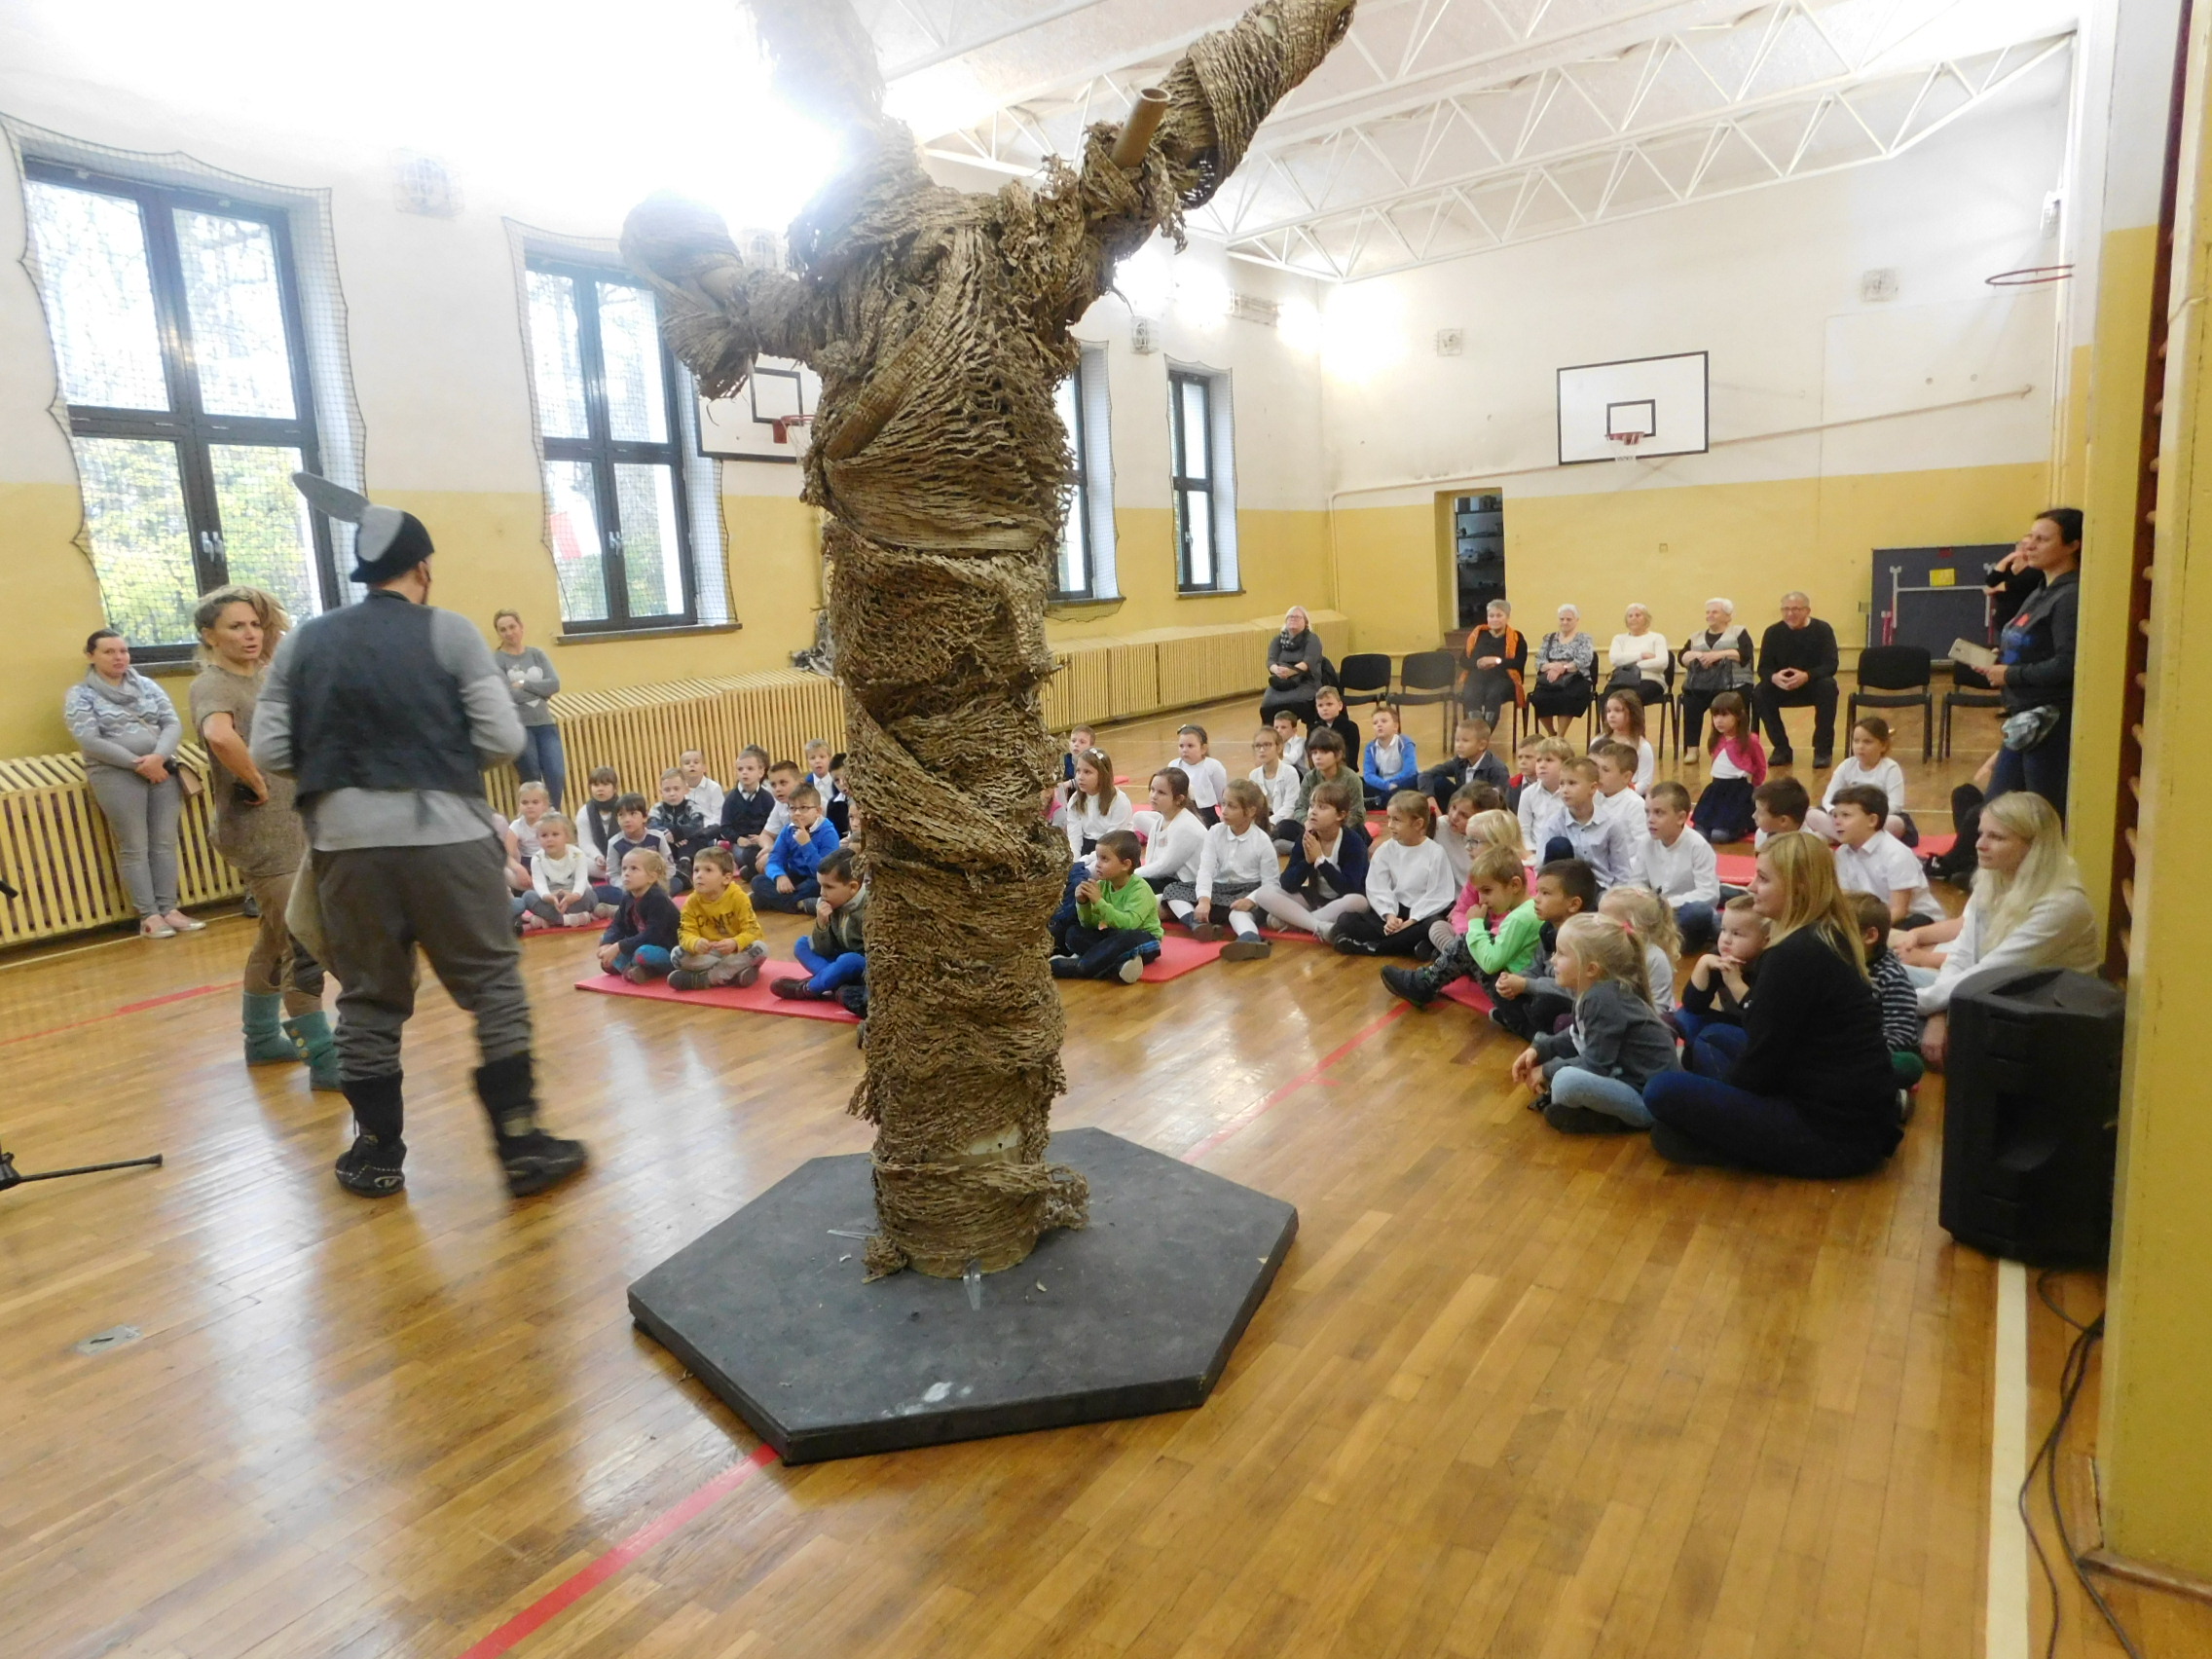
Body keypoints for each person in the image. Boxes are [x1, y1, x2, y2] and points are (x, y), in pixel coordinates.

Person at [253, 473, 583, 1198]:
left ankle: (377, 1153)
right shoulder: (451, 631)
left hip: (345, 848)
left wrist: (348, 774)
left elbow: (270, 749)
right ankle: (522, 1147)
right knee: (492, 987)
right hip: (448, 840)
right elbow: (502, 738)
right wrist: (427, 759)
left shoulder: (302, 641)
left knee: (369, 1000)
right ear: (423, 569)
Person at [1642, 831, 1900, 1176]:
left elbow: (1762, 1061)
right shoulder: (1825, 934)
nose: (1750, 886)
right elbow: (1769, 1040)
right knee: (1714, 1033)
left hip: (1831, 1134)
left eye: (1763, 879)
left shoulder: (1794, 954)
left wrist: (1718, 1106)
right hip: (1846, 1111)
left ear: (1798, 887)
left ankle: (1736, 1144)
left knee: (1662, 1090)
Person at [189, 586, 334, 1087]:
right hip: (260, 834)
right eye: (235, 626)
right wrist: (255, 780)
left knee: (275, 936)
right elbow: (219, 734)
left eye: (254, 624)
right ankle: (324, 1058)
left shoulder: (265, 676)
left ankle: (261, 1039)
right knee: (301, 942)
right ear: (210, 636)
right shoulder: (213, 685)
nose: (249, 634)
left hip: (294, 824)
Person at [1916, 791, 2099, 1066]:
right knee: (1884, 979)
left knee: (1880, 1016)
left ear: (2033, 846)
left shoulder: (2062, 904)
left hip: (2036, 1022)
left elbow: (1990, 974)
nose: (1980, 844)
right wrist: (1937, 1014)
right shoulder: (1991, 879)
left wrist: (1909, 1005)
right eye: (1981, 833)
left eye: (1997, 837)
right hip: (1987, 997)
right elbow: (1962, 956)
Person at [65, 629, 200, 939]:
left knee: (164, 842)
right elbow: (89, 739)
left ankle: (169, 908)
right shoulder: (80, 695)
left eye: (123, 651)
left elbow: (171, 723)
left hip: (162, 770)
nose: (119, 657)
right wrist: (138, 764)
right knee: (135, 845)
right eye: (109, 652)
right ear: (91, 656)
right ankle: (149, 916)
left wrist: (158, 758)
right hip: (116, 775)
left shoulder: (147, 686)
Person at [1513, 911, 1681, 1134]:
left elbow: (1596, 1065)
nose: (1552, 960)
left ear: (1591, 968)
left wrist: (1547, 1070)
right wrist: (1540, 1049)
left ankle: (1614, 1121)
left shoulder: (1602, 999)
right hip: (1626, 1078)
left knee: (1564, 1081)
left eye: (1561, 953)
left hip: (1647, 1102)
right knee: (1561, 1071)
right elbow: (1577, 1035)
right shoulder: (1593, 991)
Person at [1981, 507, 2082, 816]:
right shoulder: (2041, 590)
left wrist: (2011, 674)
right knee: (1997, 811)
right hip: (2022, 718)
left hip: (2048, 722)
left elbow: (2067, 664)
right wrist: (1999, 660)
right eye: (2030, 537)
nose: (2030, 545)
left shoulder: (2069, 597)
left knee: (2039, 815)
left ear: (2072, 545)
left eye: (2042, 539)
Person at [1383, 841, 1540, 1008]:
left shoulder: (1519, 918)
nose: (1482, 900)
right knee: (1470, 942)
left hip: (1518, 1000)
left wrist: (1475, 924)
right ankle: (1434, 973)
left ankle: (1425, 985)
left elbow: (1490, 963)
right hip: (1522, 987)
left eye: (1487, 891)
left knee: (1466, 943)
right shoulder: (1531, 908)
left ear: (1515, 885)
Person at [1332, 790, 1457, 957]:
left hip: (1421, 915)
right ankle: (1412, 947)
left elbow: (1438, 894)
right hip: (1394, 910)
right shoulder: (1386, 849)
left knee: (1432, 926)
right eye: (1389, 818)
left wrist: (1411, 921)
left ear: (1418, 824)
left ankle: (1374, 948)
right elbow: (1378, 887)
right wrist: (1390, 916)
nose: (1390, 825)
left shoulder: (1435, 852)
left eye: (1396, 820)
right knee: (1346, 920)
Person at [1488, 859, 1598, 1040]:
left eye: (1545, 893)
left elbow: (1573, 990)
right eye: (1537, 891)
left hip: (1573, 1002)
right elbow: (1535, 966)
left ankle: (1535, 1035)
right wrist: (1516, 980)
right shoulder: (1548, 930)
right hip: (1544, 989)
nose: (1536, 899)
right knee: (1499, 983)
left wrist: (1526, 985)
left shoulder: (1583, 939)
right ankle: (1524, 1023)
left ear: (1573, 904)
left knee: (1544, 1006)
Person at [1252, 778, 1369, 943]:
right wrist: (1307, 862)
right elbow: (1287, 884)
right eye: (1311, 806)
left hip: (1342, 902)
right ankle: (1318, 926)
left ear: (1341, 815)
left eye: (1322, 807)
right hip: (1315, 898)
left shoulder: (1353, 842)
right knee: (1263, 893)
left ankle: (1295, 921)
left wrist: (1320, 861)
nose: (1313, 812)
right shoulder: (1307, 838)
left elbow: (1349, 889)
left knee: (1358, 902)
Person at [1169, 778, 1274, 960]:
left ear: (1250, 811)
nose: (1224, 810)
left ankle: (1250, 940)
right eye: (1223, 803)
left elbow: (1271, 883)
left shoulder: (1262, 841)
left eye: (1232, 806)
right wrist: (1204, 900)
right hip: (1219, 891)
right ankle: (1198, 925)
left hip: (1248, 893)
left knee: (1238, 914)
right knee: (1173, 890)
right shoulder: (1215, 832)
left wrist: (1250, 900)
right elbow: (1206, 870)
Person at [1051, 830, 1163, 983]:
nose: (1097, 864)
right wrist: (1083, 903)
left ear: (1125, 865)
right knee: (1073, 933)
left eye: (1104, 859)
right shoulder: (1103, 885)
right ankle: (1118, 966)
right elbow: (1090, 924)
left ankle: (1082, 966)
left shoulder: (1140, 889)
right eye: (1098, 858)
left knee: (1126, 938)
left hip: (1144, 939)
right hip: (1114, 936)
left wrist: (1099, 902)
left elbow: (1129, 924)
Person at [1751, 592, 1840, 767]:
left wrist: (1807, 676)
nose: (1790, 614)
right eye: (1785, 609)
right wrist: (1774, 677)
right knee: (1760, 692)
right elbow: (1763, 668)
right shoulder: (1772, 632)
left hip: (1812, 684)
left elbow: (1831, 665)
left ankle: (1822, 750)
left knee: (1828, 687)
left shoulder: (1822, 630)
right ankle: (1781, 748)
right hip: (1783, 686)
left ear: (1807, 611)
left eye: (1795, 609)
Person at [773, 848, 869, 1004]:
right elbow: (822, 950)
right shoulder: (829, 903)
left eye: (828, 887)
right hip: (838, 961)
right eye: (820, 886)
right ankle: (833, 982)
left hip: (863, 967)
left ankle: (807, 989)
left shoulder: (871, 908)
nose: (822, 893)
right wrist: (821, 925)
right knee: (802, 944)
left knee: (848, 960)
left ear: (852, 887)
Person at [1852, 892, 1927, 1091]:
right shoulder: (1840, 963)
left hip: (1877, 1052)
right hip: (1846, 1048)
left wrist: (1864, 1055)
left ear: (1870, 936)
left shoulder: (1892, 978)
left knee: (1907, 1064)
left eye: (1840, 932)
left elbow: (1901, 1034)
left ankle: (1894, 1094)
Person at [1829, 786, 1935, 926]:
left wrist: (1862, 931)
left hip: (1911, 920)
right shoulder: (1842, 852)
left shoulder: (1896, 854)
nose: (1837, 821)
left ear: (1872, 820)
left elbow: (1899, 910)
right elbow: (1846, 898)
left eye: (1846, 815)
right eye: (1835, 815)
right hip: (1870, 919)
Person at [492, 609, 565, 810]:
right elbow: (507, 695)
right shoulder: (497, 660)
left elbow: (554, 684)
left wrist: (524, 684)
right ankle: (536, 821)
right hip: (520, 727)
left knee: (556, 773)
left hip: (545, 725)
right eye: (503, 629)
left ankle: (553, 816)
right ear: (498, 633)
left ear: (521, 627)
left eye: (512, 627)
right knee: (532, 777)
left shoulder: (537, 654)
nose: (509, 633)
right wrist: (541, 692)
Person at [668, 844, 767, 990]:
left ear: (726, 878)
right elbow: (685, 934)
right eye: (696, 870)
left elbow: (753, 932)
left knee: (760, 948)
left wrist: (735, 942)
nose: (699, 875)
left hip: (736, 952)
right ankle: (733, 973)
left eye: (708, 870)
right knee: (677, 955)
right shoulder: (691, 902)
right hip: (709, 954)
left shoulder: (738, 897)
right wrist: (695, 943)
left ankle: (704, 979)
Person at [1675, 894, 1767, 1051]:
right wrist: (1703, 964)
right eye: (1723, 930)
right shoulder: (1720, 956)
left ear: (1765, 940)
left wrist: (1735, 983)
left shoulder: (1768, 966)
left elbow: (1761, 1020)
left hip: (1760, 1035)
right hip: (1733, 1022)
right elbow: (1693, 1006)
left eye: (1736, 933)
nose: (1726, 939)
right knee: (1685, 1018)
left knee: (1712, 1033)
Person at [1638, 781, 1721, 952]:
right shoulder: (1646, 842)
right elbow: (1637, 881)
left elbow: (1709, 894)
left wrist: (1665, 903)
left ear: (1681, 818)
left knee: (1699, 913)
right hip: (1657, 910)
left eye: (1659, 813)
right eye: (1647, 812)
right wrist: (1641, 899)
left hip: (1681, 910)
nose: (1650, 820)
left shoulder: (1698, 845)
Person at [1534, 757, 1639, 890]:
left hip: (1601, 888)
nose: (1564, 790)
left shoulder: (1610, 825)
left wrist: (1614, 896)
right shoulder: (1554, 823)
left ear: (1593, 788)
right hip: (1566, 889)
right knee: (1558, 845)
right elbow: (1541, 866)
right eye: (1561, 783)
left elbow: (1622, 871)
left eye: (1572, 783)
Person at [1677, 598, 1756, 763]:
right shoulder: (1696, 636)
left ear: (1728, 616)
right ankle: (1692, 749)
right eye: (1708, 612)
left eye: (1715, 612)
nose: (1710, 615)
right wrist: (1699, 655)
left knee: (1733, 701)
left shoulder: (1738, 632)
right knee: (1691, 702)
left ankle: (1735, 746)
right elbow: (1682, 657)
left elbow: (1745, 655)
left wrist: (1718, 655)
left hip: (1734, 684)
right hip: (1701, 685)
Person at [752, 783, 841, 912]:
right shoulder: (788, 830)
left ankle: (772, 901)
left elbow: (824, 871)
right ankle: (798, 904)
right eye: (792, 808)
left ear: (818, 811)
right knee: (757, 881)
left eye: (804, 808)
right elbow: (774, 859)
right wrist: (779, 876)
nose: (797, 813)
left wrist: (806, 845)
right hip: (794, 876)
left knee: (816, 886)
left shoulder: (828, 832)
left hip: (816, 878)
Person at [1690, 691, 1764, 844]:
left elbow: (1760, 765)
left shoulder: (1750, 740)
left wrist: (1756, 789)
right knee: (1700, 831)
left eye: (1724, 715)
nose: (1719, 720)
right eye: (1715, 715)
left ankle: (1737, 828)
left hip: (1738, 793)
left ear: (1738, 716)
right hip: (1716, 790)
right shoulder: (1716, 739)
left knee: (1720, 836)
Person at [598, 848, 682, 982]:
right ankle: (636, 969)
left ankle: (639, 969)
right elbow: (617, 925)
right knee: (605, 943)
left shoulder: (658, 899)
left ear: (651, 877)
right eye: (624, 868)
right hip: (639, 943)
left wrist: (619, 946)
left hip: (666, 949)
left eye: (634, 869)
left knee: (643, 953)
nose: (626, 873)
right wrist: (607, 943)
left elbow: (652, 936)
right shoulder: (628, 897)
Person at [1824, 716, 1913, 842]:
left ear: (1883, 745)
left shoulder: (1890, 768)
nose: (1860, 746)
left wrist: (1864, 818)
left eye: (1867, 742)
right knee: (1812, 815)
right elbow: (1828, 798)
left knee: (1895, 823)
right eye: (1856, 741)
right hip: (1846, 818)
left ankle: (1846, 837)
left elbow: (1895, 805)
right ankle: (1856, 837)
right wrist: (1836, 813)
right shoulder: (1846, 765)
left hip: (1875, 820)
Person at [1278, 727, 1360, 853]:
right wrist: (1307, 821)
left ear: (1338, 755)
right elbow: (1300, 808)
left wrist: (1332, 826)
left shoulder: (1351, 778)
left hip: (1340, 828)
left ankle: (1304, 847)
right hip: (1313, 827)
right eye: (1314, 753)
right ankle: (1312, 845)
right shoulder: (1310, 777)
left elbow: (1358, 814)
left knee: (1360, 832)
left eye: (1324, 752)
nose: (1318, 757)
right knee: (1285, 826)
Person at [1600, 884, 1680, 1012]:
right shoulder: (1603, 949)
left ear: (1635, 927)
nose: (1597, 924)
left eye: (1605, 921)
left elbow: (1659, 1009)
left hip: (1647, 1018)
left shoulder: (1654, 958)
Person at [1132, 767, 1209, 894]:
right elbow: (1151, 861)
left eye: (1161, 793)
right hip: (1169, 881)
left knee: (1131, 885)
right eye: (1152, 790)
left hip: (1189, 887)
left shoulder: (1186, 827)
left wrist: (1130, 876)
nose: (1154, 796)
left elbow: (1165, 866)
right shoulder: (1160, 821)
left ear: (1179, 799)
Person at [516, 813, 598, 931]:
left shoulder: (578, 854)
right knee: (528, 896)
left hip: (573, 897)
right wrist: (548, 897)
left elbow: (581, 880)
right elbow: (539, 883)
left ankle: (550, 920)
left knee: (591, 895)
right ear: (538, 838)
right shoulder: (537, 858)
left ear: (566, 836)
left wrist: (574, 896)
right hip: (550, 900)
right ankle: (568, 920)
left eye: (555, 834)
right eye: (544, 835)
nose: (549, 839)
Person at [1530, 605, 1597, 735]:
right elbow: (1539, 661)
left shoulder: (1584, 639)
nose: (1565, 622)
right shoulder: (1549, 638)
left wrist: (1562, 668)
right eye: (1562, 619)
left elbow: (1583, 660)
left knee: (1566, 697)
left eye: (1569, 619)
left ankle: (1560, 736)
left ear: (1576, 620)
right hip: (1550, 677)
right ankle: (1551, 733)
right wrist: (1553, 667)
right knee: (1538, 698)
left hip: (1576, 678)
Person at [1064, 747, 1135, 870]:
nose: (1080, 777)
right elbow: (1074, 838)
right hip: (1088, 848)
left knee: (1091, 872)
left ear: (1102, 775)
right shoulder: (1075, 800)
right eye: (1078, 771)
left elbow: (1111, 842)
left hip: (1114, 850)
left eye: (1087, 772)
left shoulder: (1119, 801)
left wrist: (1083, 862)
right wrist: (1073, 862)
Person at [1420, 716, 1508, 814]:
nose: (1459, 745)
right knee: (1436, 780)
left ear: (1482, 745)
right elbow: (1425, 775)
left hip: (1483, 815)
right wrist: (1433, 806)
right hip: (1461, 809)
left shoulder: (1497, 769)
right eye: (1457, 740)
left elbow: (1500, 803)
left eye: (1465, 741)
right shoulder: (1460, 761)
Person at [1460, 599, 1527, 727]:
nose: (1494, 619)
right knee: (1471, 693)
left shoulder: (1517, 637)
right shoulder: (1478, 635)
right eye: (1491, 616)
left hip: (1503, 679)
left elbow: (1519, 663)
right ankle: (1477, 730)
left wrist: (1497, 661)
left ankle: (1485, 732)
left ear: (1507, 617)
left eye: (1499, 615)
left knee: (1494, 694)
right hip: (1478, 677)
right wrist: (1478, 663)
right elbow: (1464, 660)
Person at [1261, 606, 1327, 723]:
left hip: (1305, 680)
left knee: (1301, 703)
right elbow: (1271, 660)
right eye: (1290, 617)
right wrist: (1276, 670)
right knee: (1267, 706)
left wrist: (1291, 671)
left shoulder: (1312, 639)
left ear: (1306, 622)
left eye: (1297, 617)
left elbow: (1308, 661)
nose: (1293, 619)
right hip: (1281, 681)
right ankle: (1274, 733)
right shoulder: (1277, 639)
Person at [719, 747, 776, 873]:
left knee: (771, 853)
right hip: (741, 844)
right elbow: (725, 827)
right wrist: (738, 839)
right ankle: (753, 870)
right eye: (740, 769)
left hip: (762, 841)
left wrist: (762, 837)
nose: (745, 772)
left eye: (750, 769)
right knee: (747, 855)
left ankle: (750, 872)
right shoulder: (731, 799)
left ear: (761, 772)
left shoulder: (767, 798)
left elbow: (773, 823)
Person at [1605, 605, 1671, 708]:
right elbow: (1615, 659)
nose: (1633, 618)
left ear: (1646, 619)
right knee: (1608, 697)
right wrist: (1641, 655)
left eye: (1638, 615)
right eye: (1630, 616)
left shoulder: (1657, 638)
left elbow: (1662, 663)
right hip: (1622, 680)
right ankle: (1611, 719)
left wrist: (1631, 665)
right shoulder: (1619, 639)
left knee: (1629, 698)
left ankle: (1633, 719)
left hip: (1650, 679)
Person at [1360, 704, 1419, 809]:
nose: (1379, 725)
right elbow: (1369, 775)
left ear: (1395, 726)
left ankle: (1378, 801)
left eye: (1384, 721)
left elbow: (1410, 770)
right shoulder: (1371, 747)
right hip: (1382, 784)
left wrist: (1393, 784)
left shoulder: (1404, 742)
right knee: (1359, 782)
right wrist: (1386, 785)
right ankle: (1382, 799)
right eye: (1375, 723)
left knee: (1417, 780)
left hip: (1402, 783)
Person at [1594, 691, 1655, 793]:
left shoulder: (1642, 746)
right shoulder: (1598, 741)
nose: (1611, 715)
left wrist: (1626, 795)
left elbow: (1645, 781)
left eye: (1617, 710)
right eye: (1608, 711)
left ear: (1632, 713)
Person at [1174, 724, 1231, 825]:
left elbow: (1221, 794)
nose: (1184, 750)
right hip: (1179, 811)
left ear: (1203, 748)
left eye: (1190, 746)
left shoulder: (1213, 766)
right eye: (1181, 746)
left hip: (1205, 814)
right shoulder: (1174, 765)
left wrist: (1224, 814)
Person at [1248, 727, 1303, 829]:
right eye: (1258, 746)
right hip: (1261, 825)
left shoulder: (1290, 772)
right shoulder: (1253, 775)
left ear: (1279, 747)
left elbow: (1290, 807)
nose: (1262, 750)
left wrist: (1270, 823)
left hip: (1285, 825)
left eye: (1267, 745)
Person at [1308, 683, 1361, 756]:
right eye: (1320, 705)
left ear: (1340, 706)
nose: (1324, 709)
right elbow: (1310, 754)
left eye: (1329, 704)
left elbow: (1351, 756)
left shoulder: (1350, 728)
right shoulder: (1313, 729)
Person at [679, 749, 724, 823]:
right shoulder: (678, 790)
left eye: (696, 762)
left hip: (710, 828)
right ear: (681, 770)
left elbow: (719, 816)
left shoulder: (714, 788)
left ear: (704, 768)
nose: (692, 765)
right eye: (687, 763)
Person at [1272, 706, 1307, 770]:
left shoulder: (1300, 742)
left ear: (1294, 730)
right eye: (1276, 727)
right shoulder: (1272, 743)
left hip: (1298, 774)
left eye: (1283, 727)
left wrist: (1271, 757)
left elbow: (1292, 759)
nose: (1278, 731)